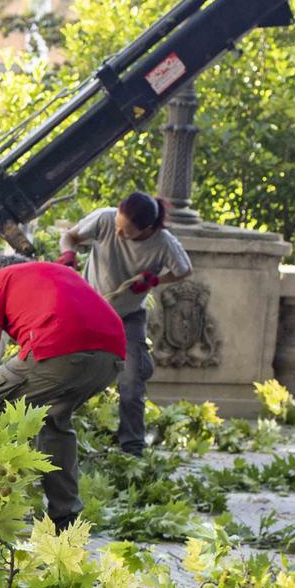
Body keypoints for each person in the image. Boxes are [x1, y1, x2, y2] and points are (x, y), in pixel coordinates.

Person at [0, 254, 126, 531]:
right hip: (111, 357)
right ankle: (66, 517)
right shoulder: (55, 273)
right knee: (53, 420)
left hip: (59, 347)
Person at [57, 191, 193, 455]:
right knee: (65, 370)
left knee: (131, 383)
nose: (118, 234)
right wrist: (68, 255)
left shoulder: (163, 242)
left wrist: (155, 280)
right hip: (88, 309)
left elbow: (184, 270)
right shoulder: (105, 219)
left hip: (128, 316)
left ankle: (132, 447)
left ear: (148, 229)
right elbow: (70, 236)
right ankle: (55, 433)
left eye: (127, 232)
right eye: (118, 227)